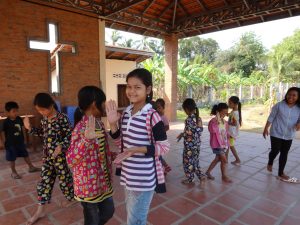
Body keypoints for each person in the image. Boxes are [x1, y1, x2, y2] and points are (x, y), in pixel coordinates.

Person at [106, 68, 170, 225]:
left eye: (137, 87)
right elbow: (120, 142)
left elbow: (164, 147)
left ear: (148, 89)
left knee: (135, 220)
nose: (131, 91)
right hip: (129, 175)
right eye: (129, 86)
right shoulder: (127, 113)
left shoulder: (152, 116)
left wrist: (138, 149)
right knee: (133, 217)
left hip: (144, 178)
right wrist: (113, 124)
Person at [67, 86, 115, 225]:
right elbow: (71, 160)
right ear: (94, 104)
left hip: (103, 183)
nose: (104, 106)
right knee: (92, 220)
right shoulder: (80, 128)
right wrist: (86, 140)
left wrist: (112, 155)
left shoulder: (98, 123)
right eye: (103, 103)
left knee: (109, 211)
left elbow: (99, 150)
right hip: (87, 187)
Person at [24, 93, 74, 225]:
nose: (41, 112)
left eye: (43, 109)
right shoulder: (44, 120)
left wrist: (62, 146)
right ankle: (40, 211)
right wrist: (30, 129)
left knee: (65, 180)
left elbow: (70, 136)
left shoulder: (62, 118)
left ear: (51, 105)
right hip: (47, 158)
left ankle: (71, 198)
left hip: (61, 158)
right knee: (43, 183)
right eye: (38, 110)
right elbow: (43, 133)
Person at [263, 87, 300, 182]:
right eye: (289, 94)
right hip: (276, 132)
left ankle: (281, 173)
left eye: (294, 95)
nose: (291, 97)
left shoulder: (299, 108)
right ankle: (270, 162)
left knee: (284, 153)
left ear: (298, 97)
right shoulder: (279, 105)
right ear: (286, 94)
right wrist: (266, 128)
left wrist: (299, 124)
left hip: (289, 134)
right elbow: (271, 117)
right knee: (275, 150)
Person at [1, 101, 40, 179]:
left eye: (16, 111)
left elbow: (25, 126)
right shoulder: (6, 122)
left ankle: (31, 167)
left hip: (20, 142)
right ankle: (14, 172)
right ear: (8, 112)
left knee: (25, 155)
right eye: (13, 111)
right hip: (10, 144)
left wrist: (27, 122)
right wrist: (2, 143)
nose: (16, 113)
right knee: (12, 159)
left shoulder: (18, 119)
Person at [177, 98, 206, 184]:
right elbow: (198, 131)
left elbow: (189, 133)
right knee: (195, 161)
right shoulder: (198, 118)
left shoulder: (188, 120)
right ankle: (201, 176)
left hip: (189, 146)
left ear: (186, 109)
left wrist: (184, 134)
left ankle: (190, 178)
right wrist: (183, 134)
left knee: (187, 162)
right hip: (197, 145)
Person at [206, 103, 232, 183]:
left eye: (226, 113)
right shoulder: (213, 121)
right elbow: (212, 130)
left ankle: (208, 172)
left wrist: (229, 136)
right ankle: (224, 176)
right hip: (217, 144)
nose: (224, 115)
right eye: (223, 112)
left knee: (218, 159)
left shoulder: (224, 122)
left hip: (223, 144)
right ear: (218, 112)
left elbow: (225, 131)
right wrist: (216, 122)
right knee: (224, 160)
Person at [155, 98, 171, 174]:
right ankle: (165, 167)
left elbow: (167, 127)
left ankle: (165, 166)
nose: (157, 109)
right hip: (155, 138)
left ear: (163, 108)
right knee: (157, 155)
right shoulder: (155, 116)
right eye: (156, 108)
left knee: (158, 155)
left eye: (159, 108)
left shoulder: (164, 117)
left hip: (161, 139)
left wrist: (160, 132)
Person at [227, 96, 242, 166]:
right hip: (230, 132)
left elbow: (234, 123)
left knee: (231, 146)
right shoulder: (234, 111)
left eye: (230, 103)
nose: (228, 104)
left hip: (231, 133)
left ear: (235, 104)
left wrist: (226, 122)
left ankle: (238, 159)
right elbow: (230, 116)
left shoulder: (235, 113)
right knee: (228, 145)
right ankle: (226, 159)